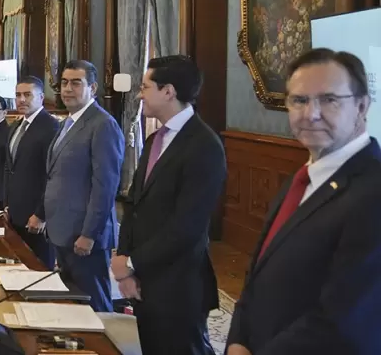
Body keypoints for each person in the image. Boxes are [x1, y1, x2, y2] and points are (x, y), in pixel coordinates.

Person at [226, 49, 381, 355]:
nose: (310, 113)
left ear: (362, 106)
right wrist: (238, 339)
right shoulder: (304, 177)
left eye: (329, 100)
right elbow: (258, 273)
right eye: (299, 100)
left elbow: (345, 322)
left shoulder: (373, 192)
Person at [112, 55, 223, 355]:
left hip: (178, 285)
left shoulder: (204, 146)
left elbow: (186, 228)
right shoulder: (154, 140)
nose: (139, 94)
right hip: (144, 280)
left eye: (145, 87)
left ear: (169, 92)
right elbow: (133, 204)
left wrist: (132, 263)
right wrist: (126, 263)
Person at [44, 59, 124, 313]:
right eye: (64, 83)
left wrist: (89, 234)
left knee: (95, 303)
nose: (67, 89)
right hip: (62, 230)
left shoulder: (103, 124)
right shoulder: (67, 122)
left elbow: (105, 186)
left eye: (76, 83)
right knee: (72, 302)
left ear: (93, 87)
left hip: (84, 236)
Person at [4, 76, 59, 266]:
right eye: (18, 95)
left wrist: (41, 214)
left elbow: (52, 176)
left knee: (39, 271)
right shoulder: (16, 126)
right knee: (19, 267)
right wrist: (7, 203)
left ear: (41, 97)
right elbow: (11, 168)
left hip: (37, 217)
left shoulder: (51, 127)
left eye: (27, 95)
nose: (21, 100)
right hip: (15, 212)